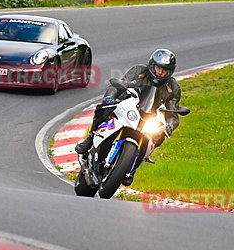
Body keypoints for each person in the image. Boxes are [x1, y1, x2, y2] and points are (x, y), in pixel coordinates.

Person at [74, 49, 182, 183]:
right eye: (158, 68)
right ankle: (90, 139)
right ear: (152, 64)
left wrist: (170, 125)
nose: (160, 72)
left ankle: (134, 165)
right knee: (103, 108)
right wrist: (110, 97)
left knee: (160, 134)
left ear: (170, 72)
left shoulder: (172, 87)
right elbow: (121, 84)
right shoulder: (140, 71)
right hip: (130, 106)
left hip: (150, 117)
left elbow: (173, 113)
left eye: (164, 70)